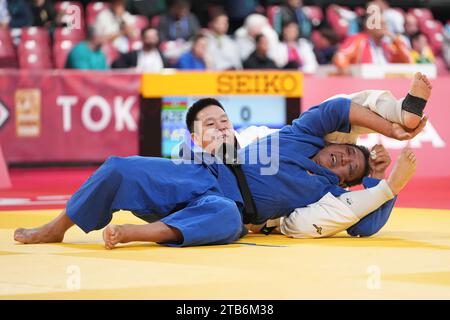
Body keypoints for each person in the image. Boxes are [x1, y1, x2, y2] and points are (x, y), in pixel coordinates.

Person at [14, 75, 429, 248]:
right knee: (119, 166)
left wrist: (380, 179)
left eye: (349, 168)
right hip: (205, 174)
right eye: (345, 152)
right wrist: (391, 130)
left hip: (228, 207)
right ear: (332, 141)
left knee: (226, 222)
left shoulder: (326, 194)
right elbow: (342, 107)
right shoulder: (301, 132)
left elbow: (364, 225)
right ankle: (56, 227)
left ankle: (136, 234)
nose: (344, 160)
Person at [183, 72, 432, 238]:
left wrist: (381, 175)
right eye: (209, 126)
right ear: (195, 139)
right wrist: (390, 180)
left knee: (339, 106)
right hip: (276, 209)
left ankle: (400, 112)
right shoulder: (197, 167)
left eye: (223, 122)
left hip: (296, 192)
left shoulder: (257, 137)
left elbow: (364, 225)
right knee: (338, 105)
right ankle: (398, 118)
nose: (219, 129)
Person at [333, 14, 412, 75]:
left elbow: (408, 60)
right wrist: (345, 72)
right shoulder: (358, 40)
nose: (384, 27)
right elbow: (341, 56)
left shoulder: (386, 46)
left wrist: (395, 40)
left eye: (385, 24)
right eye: (380, 24)